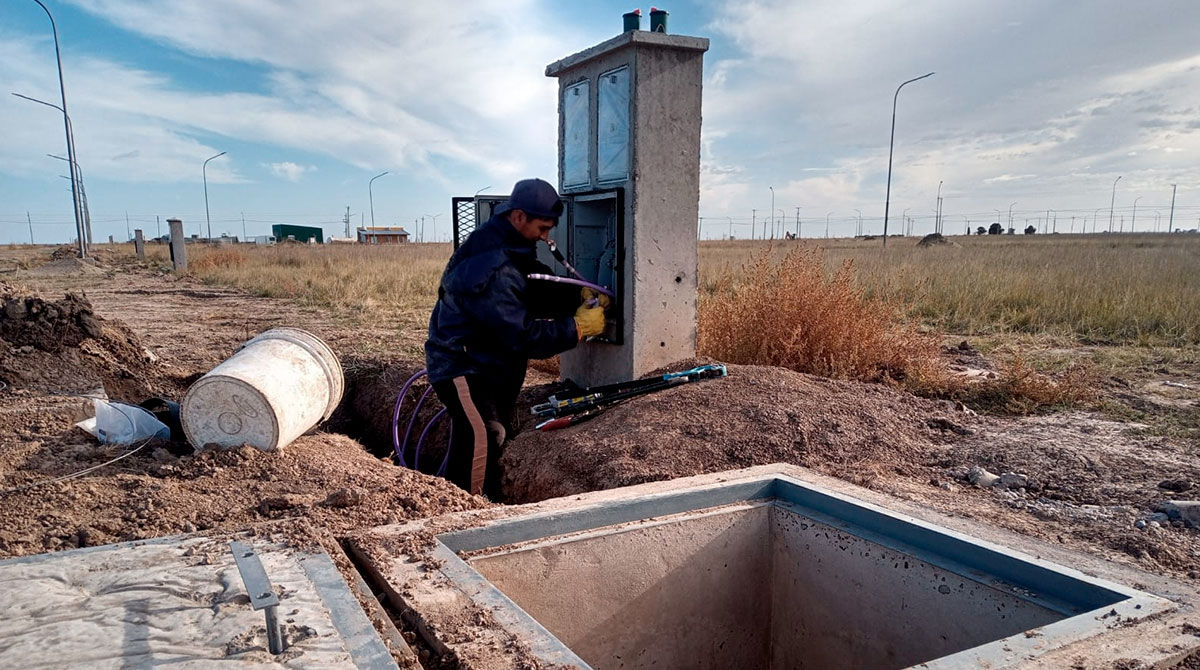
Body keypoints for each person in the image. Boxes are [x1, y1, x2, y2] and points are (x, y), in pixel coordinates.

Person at [425, 178, 606, 497]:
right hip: (462, 367)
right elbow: (520, 336)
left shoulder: (506, 245)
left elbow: (530, 285)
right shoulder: (492, 266)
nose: (546, 236)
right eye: (542, 227)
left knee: (479, 436)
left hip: (487, 363)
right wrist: (576, 328)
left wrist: (574, 295)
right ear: (519, 216)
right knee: (486, 434)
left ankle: (466, 496)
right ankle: (467, 516)